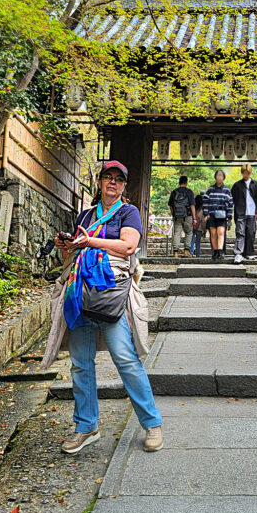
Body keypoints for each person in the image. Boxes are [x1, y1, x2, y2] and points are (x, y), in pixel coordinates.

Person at [41, 160, 163, 455]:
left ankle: (152, 423)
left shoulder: (128, 212)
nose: (112, 183)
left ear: (124, 186)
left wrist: (89, 242)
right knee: (81, 363)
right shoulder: (86, 214)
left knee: (125, 358)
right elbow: (76, 247)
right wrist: (67, 244)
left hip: (110, 293)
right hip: (80, 293)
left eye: (118, 180)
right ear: (99, 181)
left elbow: (128, 246)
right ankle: (86, 426)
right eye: (107, 177)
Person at [231, 163, 257, 263]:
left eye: (247, 173)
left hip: (252, 212)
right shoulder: (237, 185)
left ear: (250, 173)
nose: (246, 175)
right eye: (244, 173)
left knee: (251, 233)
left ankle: (249, 253)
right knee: (240, 232)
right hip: (240, 212)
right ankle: (239, 253)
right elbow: (233, 199)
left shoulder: (255, 184)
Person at [203, 169, 233, 261]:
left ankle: (220, 251)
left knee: (220, 233)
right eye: (218, 175)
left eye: (221, 175)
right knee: (213, 233)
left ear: (223, 177)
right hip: (211, 215)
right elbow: (205, 201)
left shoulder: (227, 190)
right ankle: (215, 251)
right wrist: (206, 213)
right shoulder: (210, 189)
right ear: (215, 177)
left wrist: (229, 216)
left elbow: (231, 203)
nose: (219, 177)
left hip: (222, 215)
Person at [168, 175, 196, 257]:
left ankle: (175, 252)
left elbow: (171, 206)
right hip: (187, 216)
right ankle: (186, 251)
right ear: (186, 183)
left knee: (177, 233)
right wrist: (194, 217)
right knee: (189, 232)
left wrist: (173, 214)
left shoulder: (174, 192)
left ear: (179, 182)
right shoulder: (189, 192)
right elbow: (192, 205)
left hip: (177, 216)